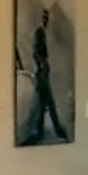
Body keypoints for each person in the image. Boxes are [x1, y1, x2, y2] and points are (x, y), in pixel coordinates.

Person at [29, 7, 69, 142]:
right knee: (48, 103)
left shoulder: (43, 33)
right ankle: (55, 129)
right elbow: (36, 52)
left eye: (47, 18)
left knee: (43, 103)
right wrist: (42, 65)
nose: (46, 20)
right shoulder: (39, 33)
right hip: (42, 73)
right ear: (41, 18)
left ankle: (40, 131)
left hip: (44, 72)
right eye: (44, 17)